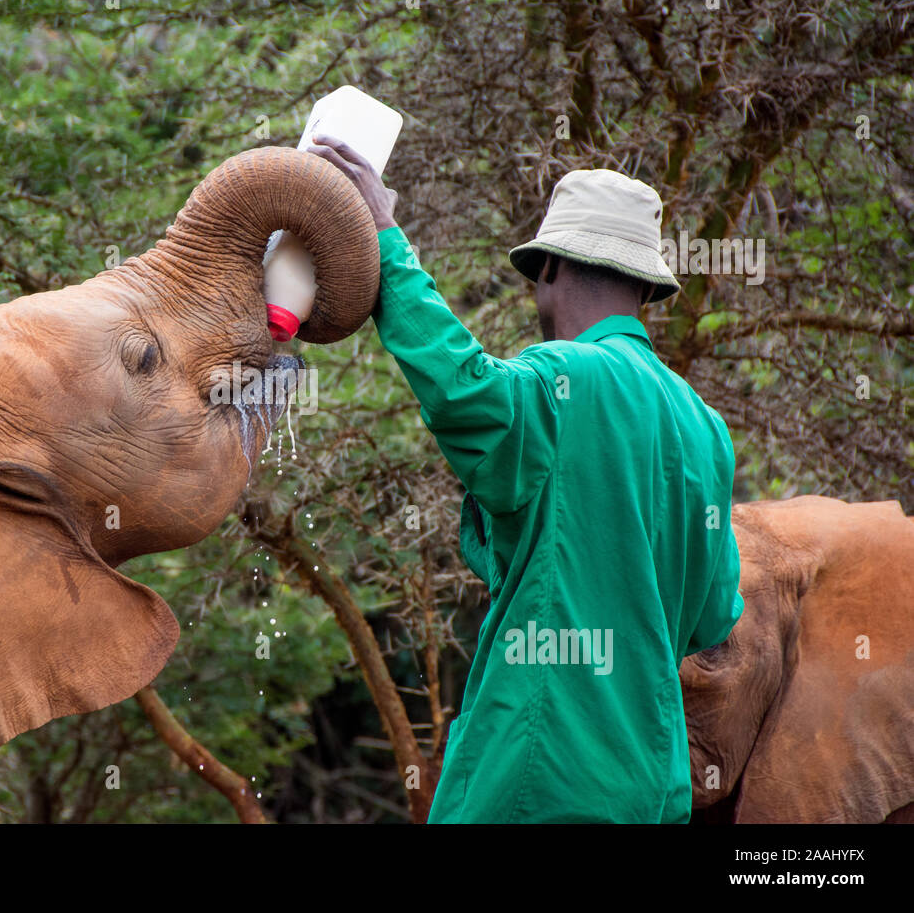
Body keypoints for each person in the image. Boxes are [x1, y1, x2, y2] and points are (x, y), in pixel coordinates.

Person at [310, 135, 744, 823]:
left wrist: (387, 244)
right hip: (650, 793)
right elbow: (713, 616)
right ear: (645, 288)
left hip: (536, 782)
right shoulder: (705, 429)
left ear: (547, 271)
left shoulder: (562, 381)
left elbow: (464, 392)